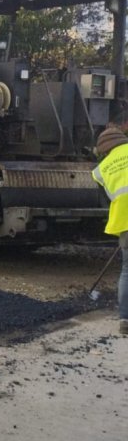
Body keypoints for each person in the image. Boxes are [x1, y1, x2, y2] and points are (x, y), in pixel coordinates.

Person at [91, 126, 128, 335]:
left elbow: (109, 198)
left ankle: (125, 320)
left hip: (125, 222)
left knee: (127, 271)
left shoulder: (102, 169)